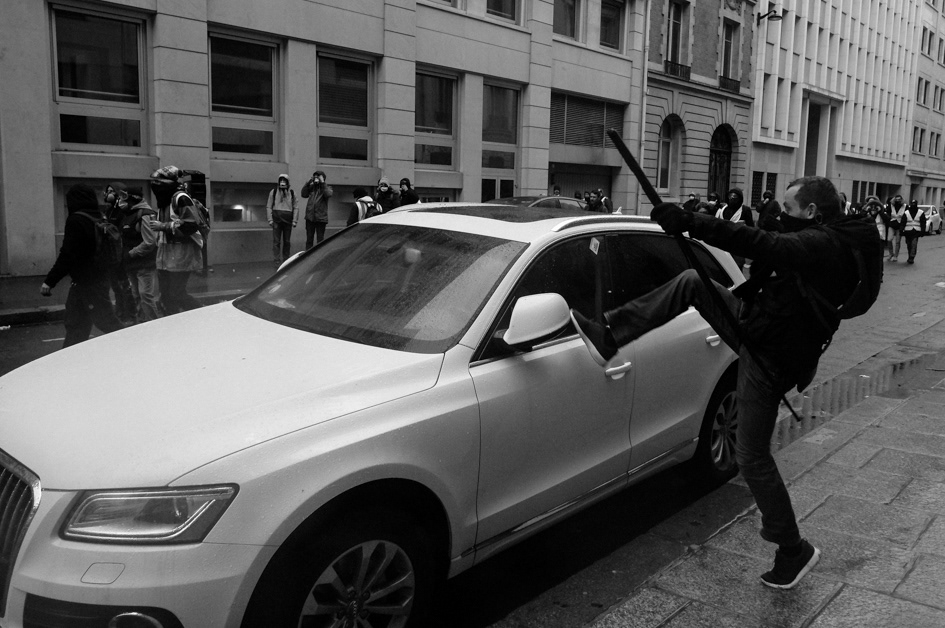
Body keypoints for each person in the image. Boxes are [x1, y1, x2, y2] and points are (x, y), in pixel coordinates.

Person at [571, 175, 883, 590]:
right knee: (693, 283)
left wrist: (691, 222)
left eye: (788, 208)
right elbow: (767, 246)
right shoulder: (828, 237)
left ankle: (793, 549)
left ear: (811, 211)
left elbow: (764, 243)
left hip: (769, 354)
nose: (780, 214)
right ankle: (610, 335)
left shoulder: (822, 245)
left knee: (751, 456)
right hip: (762, 328)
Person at [40, 184, 123, 347]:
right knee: (77, 324)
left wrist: (50, 281)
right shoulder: (100, 217)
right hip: (96, 279)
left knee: (104, 322)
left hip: (87, 283)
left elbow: (68, 254)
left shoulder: (77, 220)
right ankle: (69, 360)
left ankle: (134, 347)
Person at [149, 166, 203, 314]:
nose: (155, 187)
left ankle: (203, 315)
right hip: (166, 257)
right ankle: (173, 325)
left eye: (158, 183)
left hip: (180, 255)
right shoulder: (164, 200)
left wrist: (163, 226)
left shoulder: (181, 198)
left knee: (176, 294)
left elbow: (191, 225)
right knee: (166, 296)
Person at [119, 186, 163, 322]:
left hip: (144, 263)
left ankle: (155, 325)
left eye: (124, 197)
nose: (121, 200)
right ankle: (143, 324)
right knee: (136, 295)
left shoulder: (145, 214)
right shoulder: (129, 214)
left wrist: (130, 254)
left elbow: (149, 242)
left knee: (146, 296)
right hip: (132, 263)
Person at [103, 182, 138, 325]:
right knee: (116, 287)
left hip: (121, 254)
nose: (109, 194)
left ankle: (129, 314)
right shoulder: (108, 210)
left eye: (112, 191)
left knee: (125, 286)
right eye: (108, 191)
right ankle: (120, 313)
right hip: (111, 254)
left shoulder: (122, 211)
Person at [267, 174, 298, 266]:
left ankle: (286, 259)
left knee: (287, 241)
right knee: (276, 241)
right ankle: (276, 260)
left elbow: (296, 207)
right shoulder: (274, 192)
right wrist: (270, 219)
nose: (282, 183)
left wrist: (294, 220)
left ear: (288, 183)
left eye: (284, 181)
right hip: (277, 220)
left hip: (287, 221)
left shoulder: (292, 193)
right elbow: (269, 206)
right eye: (281, 181)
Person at [301, 170, 333, 248]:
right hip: (310, 218)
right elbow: (304, 194)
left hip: (321, 219)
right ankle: (308, 255)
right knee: (309, 239)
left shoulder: (326, 188)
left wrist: (322, 182)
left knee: (320, 240)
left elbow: (328, 194)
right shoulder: (312, 188)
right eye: (315, 177)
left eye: (318, 177)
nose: (316, 179)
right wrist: (307, 183)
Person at [900, 200, 926, 264]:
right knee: (909, 244)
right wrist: (901, 230)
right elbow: (903, 222)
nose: (913, 205)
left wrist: (923, 231)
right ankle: (909, 255)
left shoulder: (921, 212)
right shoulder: (906, 213)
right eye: (912, 203)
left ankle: (912, 257)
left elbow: (923, 222)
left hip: (916, 231)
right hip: (908, 231)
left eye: (914, 203)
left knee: (914, 244)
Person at [887, 194, 906, 261]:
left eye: (899, 199)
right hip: (892, 224)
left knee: (897, 241)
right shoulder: (891, 206)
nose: (897, 201)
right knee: (889, 239)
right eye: (896, 199)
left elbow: (906, 216)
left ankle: (895, 256)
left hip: (900, 225)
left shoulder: (905, 206)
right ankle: (890, 253)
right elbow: (888, 214)